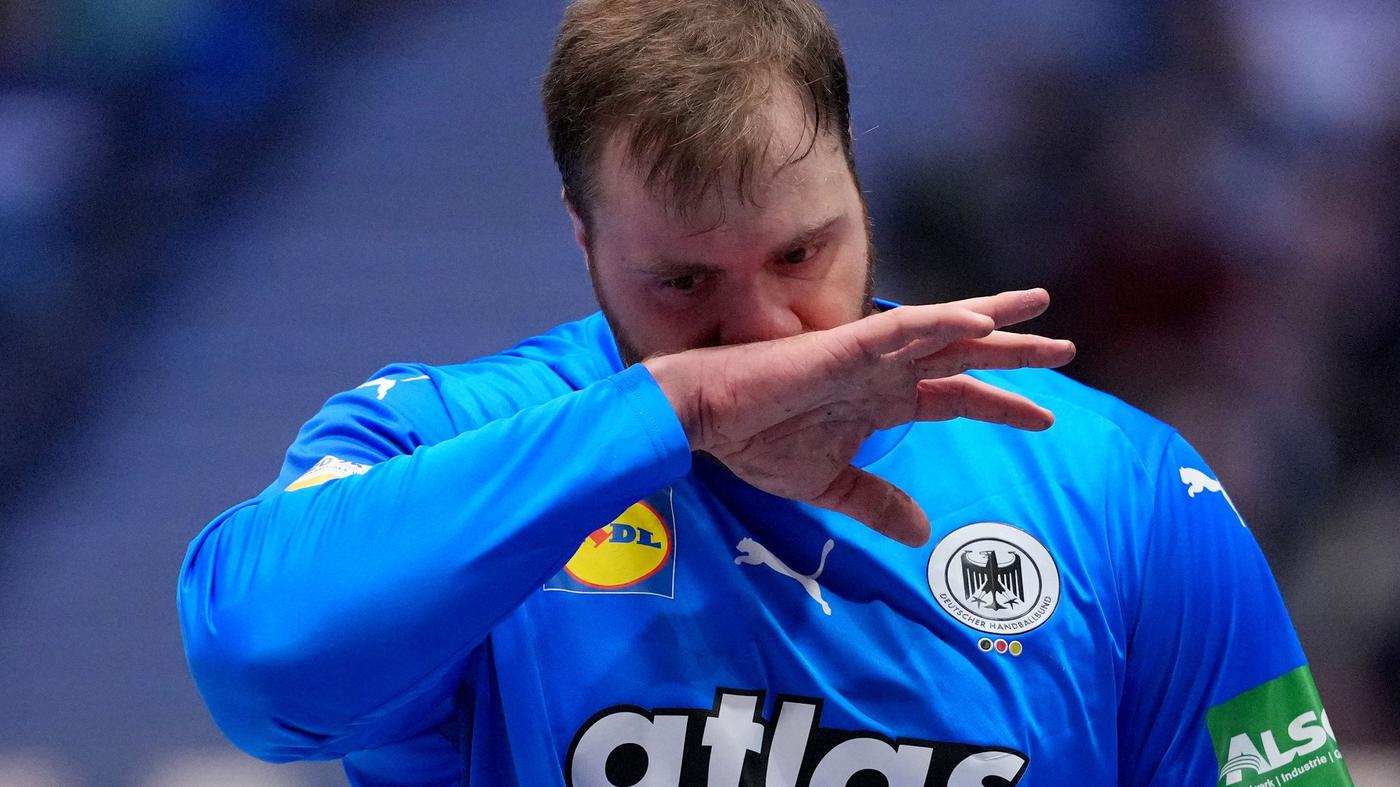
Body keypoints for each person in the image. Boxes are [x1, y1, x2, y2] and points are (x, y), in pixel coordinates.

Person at [177, 1, 1353, 785]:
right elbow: (259, 665)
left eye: (799, 254)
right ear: (583, 236)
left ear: (856, 181)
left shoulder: (1117, 483)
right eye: (683, 283)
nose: (762, 335)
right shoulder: (451, 439)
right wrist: (674, 413)